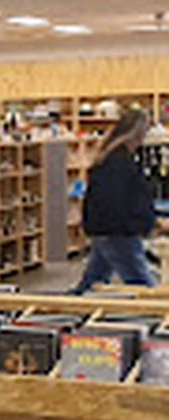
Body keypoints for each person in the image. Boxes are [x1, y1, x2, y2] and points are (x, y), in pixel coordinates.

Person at [72, 108, 159, 293]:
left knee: (92, 282)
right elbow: (122, 200)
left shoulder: (110, 159)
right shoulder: (118, 163)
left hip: (108, 228)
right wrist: (143, 222)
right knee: (144, 287)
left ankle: (70, 305)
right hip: (118, 231)